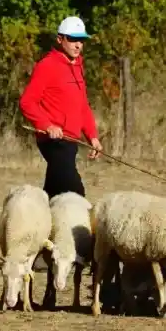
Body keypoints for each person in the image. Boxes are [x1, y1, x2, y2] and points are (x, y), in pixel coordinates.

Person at [19, 16, 103, 199]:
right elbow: (27, 101)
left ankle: (38, 219)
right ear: (60, 39)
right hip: (53, 141)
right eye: (72, 39)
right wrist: (47, 125)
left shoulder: (79, 67)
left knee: (55, 191)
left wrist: (93, 136)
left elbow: (83, 106)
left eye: (81, 40)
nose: (78, 45)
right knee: (75, 192)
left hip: (71, 140)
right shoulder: (47, 66)